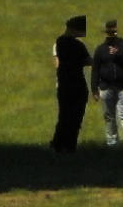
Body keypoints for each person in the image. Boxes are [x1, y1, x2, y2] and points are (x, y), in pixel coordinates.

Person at [90, 19, 123, 146]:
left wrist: (118, 54)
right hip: (106, 88)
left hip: (122, 86)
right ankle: (112, 141)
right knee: (109, 116)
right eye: (109, 33)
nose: (111, 35)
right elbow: (95, 70)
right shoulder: (100, 50)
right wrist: (94, 89)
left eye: (112, 32)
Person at [50, 15, 91, 153]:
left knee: (64, 116)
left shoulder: (60, 42)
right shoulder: (76, 45)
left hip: (63, 84)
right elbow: (87, 61)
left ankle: (57, 143)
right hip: (77, 84)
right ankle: (69, 145)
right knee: (75, 117)